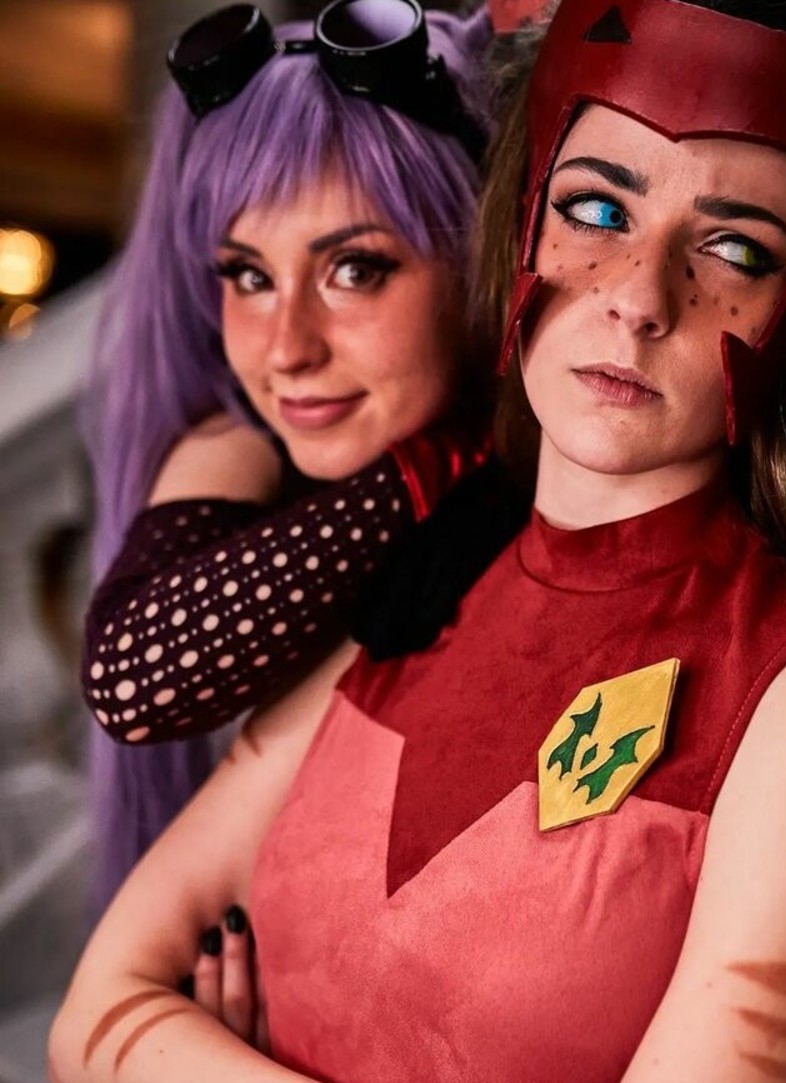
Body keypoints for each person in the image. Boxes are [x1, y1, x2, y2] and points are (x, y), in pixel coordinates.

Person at [50, 0, 786, 1083]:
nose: (638, 298)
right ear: (521, 222)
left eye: (735, 245)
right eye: (595, 208)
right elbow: (94, 1029)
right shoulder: (420, 579)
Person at [80, 0, 494, 912]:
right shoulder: (236, 447)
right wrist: (446, 463)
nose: (285, 349)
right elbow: (132, 678)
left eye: (355, 269)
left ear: (477, 257)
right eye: (249, 275)